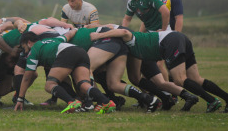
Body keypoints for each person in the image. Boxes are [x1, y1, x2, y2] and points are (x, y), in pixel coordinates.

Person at [90, 29, 228, 113]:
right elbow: (136, 77)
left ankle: (211, 101)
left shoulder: (126, 36)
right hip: (178, 38)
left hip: (170, 40)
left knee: (179, 79)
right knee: (196, 78)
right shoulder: (131, 48)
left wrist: (98, 36)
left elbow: (124, 31)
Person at [14, 31, 116, 114]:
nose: (25, 51)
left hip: (66, 54)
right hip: (80, 51)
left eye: (24, 47)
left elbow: (27, 77)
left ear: (29, 43)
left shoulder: (34, 50)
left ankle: (72, 102)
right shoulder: (51, 40)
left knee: (49, 85)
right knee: (83, 84)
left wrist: (20, 99)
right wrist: (75, 29)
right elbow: (68, 35)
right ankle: (106, 102)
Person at [152, 0, 184, 84]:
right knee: (152, 66)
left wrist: (177, 37)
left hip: (169, 37)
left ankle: (171, 93)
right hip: (154, 37)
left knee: (161, 65)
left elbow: (179, 18)